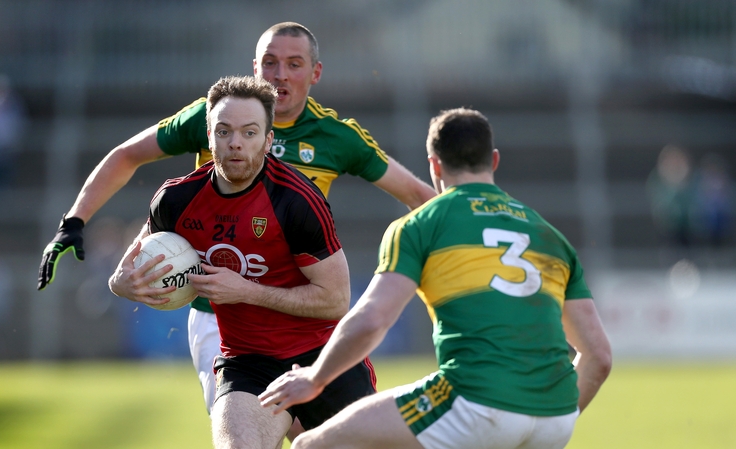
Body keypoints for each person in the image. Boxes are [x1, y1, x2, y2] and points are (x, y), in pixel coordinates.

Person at [37, 21, 436, 418]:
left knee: (318, 437)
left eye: (294, 64)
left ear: (315, 73)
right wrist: (74, 221)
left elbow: (419, 196)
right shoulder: (213, 116)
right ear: (254, 67)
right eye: (270, 62)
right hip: (221, 320)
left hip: (299, 316)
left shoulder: (336, 136)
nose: (280, 74)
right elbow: (127, 155)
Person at [259, 108, 613, 449]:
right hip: (556, 416)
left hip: (476, 402)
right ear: (493, 161)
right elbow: (598, 355)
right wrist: (549, 417)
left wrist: (315, 377)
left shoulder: (423, 224)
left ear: (434, 165)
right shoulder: (549, 236)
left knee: (312, 443)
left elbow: (373, 320)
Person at [109, 75, 377, 449]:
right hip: (248, 363)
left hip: (323, 359)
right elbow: (129, 267)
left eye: (249, 133)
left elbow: (335, 299)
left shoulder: (297, 201)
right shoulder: (175, 199)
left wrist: (247, 291)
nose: (235, 143)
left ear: (268, 140)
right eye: (224, 131)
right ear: (208, 135)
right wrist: (121, 284)